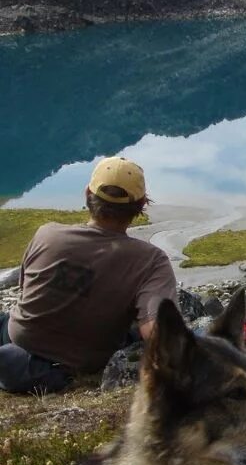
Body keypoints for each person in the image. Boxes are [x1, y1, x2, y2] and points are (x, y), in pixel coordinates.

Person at [0, 156, 177, 393]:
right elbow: (156, 334)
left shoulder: (47, 235)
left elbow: (26, 291)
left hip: (17, 337)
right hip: (67, 365)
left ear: (87, 194)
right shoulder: (151, 261)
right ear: (142, 204)